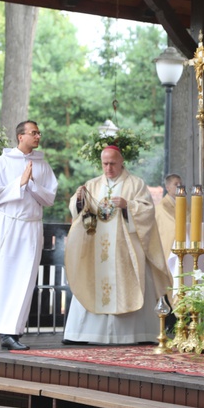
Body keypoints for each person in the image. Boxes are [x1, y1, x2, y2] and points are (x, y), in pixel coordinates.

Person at [63, 145, 172, 344]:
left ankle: (137, 334)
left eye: (113, 163)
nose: (109, 168)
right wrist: (79, 201)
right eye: (105, 164)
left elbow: (148, 212)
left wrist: (127, 205)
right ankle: (84, 334)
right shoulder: (93, 184)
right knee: (93, 281)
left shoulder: (136, 184)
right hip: (97, 247)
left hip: (125, 248)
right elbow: (78, 209)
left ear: (122, 162)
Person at [0, 120, 58, 350]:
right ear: (20, 136)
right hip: (10, 223)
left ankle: (14, 332)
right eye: (33, 133)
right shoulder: (2, 162)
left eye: (39, 132)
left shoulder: (43, 165)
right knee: (8, 276)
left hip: (31, 225)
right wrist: (20, 182)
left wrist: (31, 185)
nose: (38, 136)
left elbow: (49, 198)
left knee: (26, 278)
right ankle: (4, 331)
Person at [155, 173, 182, 262]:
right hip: (168, 245)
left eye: (180, 184)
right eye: (176, 184)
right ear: (167, 188)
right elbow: (172, 225)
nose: (179, 186)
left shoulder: (184, 203)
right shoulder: (162, 206)